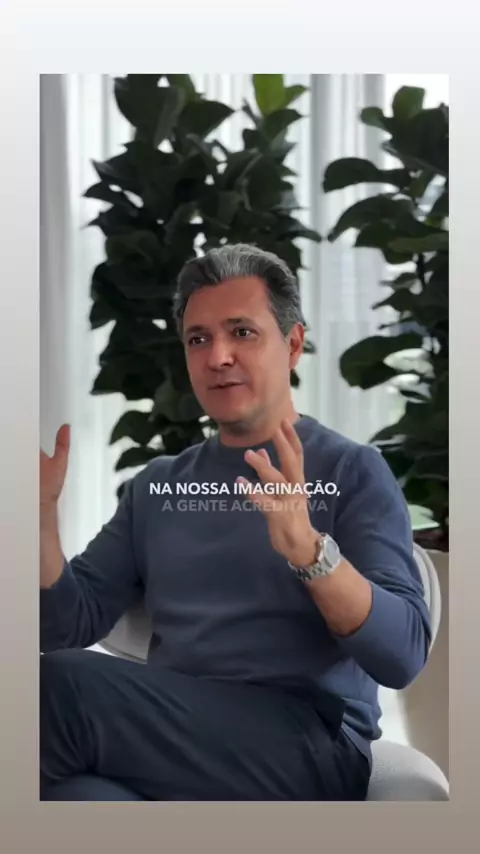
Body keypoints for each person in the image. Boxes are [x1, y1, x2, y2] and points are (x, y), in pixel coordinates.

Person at [40, 243, 431, 802]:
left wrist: (311, 554)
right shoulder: (160, 485)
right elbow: (65, 624)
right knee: (73, 801)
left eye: (242, 332)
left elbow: (403, 655)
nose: (217, 356)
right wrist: (38, 525)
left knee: (53, 690)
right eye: (198, 339)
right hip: (173, 736)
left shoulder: (352, 471)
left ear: (292, 344)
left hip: (306, 744)